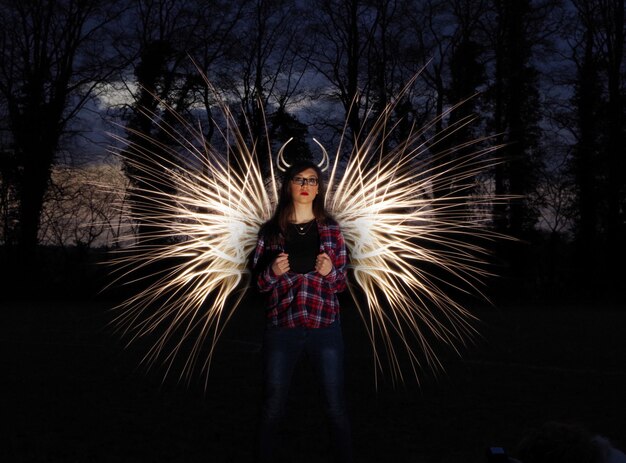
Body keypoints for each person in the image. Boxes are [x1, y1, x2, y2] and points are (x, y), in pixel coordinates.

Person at [252, 160, 353, 463]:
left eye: (312, 180)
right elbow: (258, 286)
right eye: (299, 179)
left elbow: (341, 286)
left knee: (335, 405)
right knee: (273, 405)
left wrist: (331, 272)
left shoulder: (332, 232)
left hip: (325, 329)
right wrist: (271, 271)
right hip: (282, 328)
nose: (306, 186)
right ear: (289, 186)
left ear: (319, 188)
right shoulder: (271, 232)